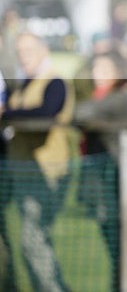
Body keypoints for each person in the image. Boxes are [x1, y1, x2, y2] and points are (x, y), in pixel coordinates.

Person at [0, 31, 75, 292]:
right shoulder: (25, 84)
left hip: (45, 173)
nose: (24, 57)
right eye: (20, 52)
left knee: (33, 240)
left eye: (29, 50)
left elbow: (45, 114)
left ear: (43, 50)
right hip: (21, 172)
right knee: (30, 242)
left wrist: (6, 112)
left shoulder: (54, 81)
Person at [73, 50, 127, 290]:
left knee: (122, 246)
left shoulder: (118, 99)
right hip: (104, 182)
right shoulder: (99, 96)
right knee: (114, 246)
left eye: (103, 70)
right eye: (95, 69)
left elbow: (79, 113)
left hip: (116, 182)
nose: (95, 74)